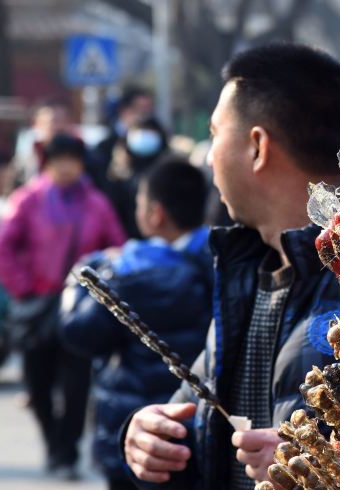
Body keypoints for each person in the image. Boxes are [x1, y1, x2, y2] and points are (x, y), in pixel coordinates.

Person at [121, 43, 340, 489]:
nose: (209, 154)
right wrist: (146, 434)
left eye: (215, 133)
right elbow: (194, 414)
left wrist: (327, 466)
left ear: (257, 147)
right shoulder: (245, 272)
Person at [61, 158, 214, 490]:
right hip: (203, 429)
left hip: (137, 434)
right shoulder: (224, 260)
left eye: (139, 204)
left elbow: (78, 333)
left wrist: (80, 278)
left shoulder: (127, 271)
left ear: (155, 213)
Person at [0, 133, 126, 479]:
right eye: (58, 159)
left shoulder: (96, 203)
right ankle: (52, 442)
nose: (65, 166)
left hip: (81, 309)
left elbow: (118, 249)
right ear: (47, 163)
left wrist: (99, 289)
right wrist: (23, 288)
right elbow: (0, 247)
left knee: (77, 385)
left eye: (72, 159)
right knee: (38, 383)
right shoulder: (27, 200)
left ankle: (67, 453)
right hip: (38, 306)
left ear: (81, 164)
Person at [103, 116, 172, 239]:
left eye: (150, 131)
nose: (144, 136)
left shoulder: (169, 173)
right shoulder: (117, 175)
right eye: (139, 130)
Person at [9, 98, 77, 189]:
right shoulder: (27, 157)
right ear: (36, 124)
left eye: (63, 120)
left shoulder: (82, 154)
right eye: (54, 121)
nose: (59, 126)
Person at [93, 87, 155, 184]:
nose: (144, 115)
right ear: (124, 110)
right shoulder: (105, 147)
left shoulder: (156, 142)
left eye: (148, 109)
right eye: (140, 109)